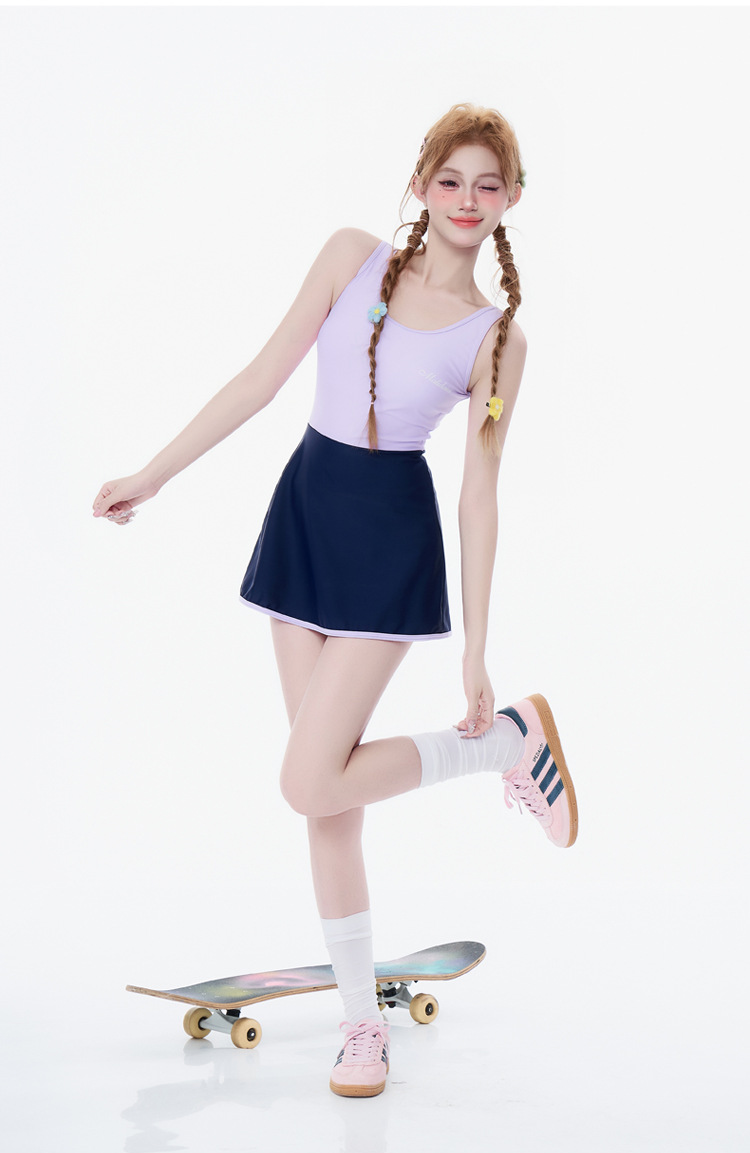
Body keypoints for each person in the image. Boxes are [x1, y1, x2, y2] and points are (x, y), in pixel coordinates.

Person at [92, 102, 578, 1099]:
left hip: (387, 547)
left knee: (310, 779)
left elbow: (479, 494)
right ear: (420, 184)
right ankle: (363, 1023)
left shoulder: (497, 339)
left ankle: (501, 744)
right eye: (451, 180)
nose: (467, 200)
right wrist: (153, 474)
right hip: (305, 516)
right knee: (328, 800)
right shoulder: (351, 256)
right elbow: (261, 378)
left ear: (512, 199)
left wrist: (476, 650)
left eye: (488, 185)